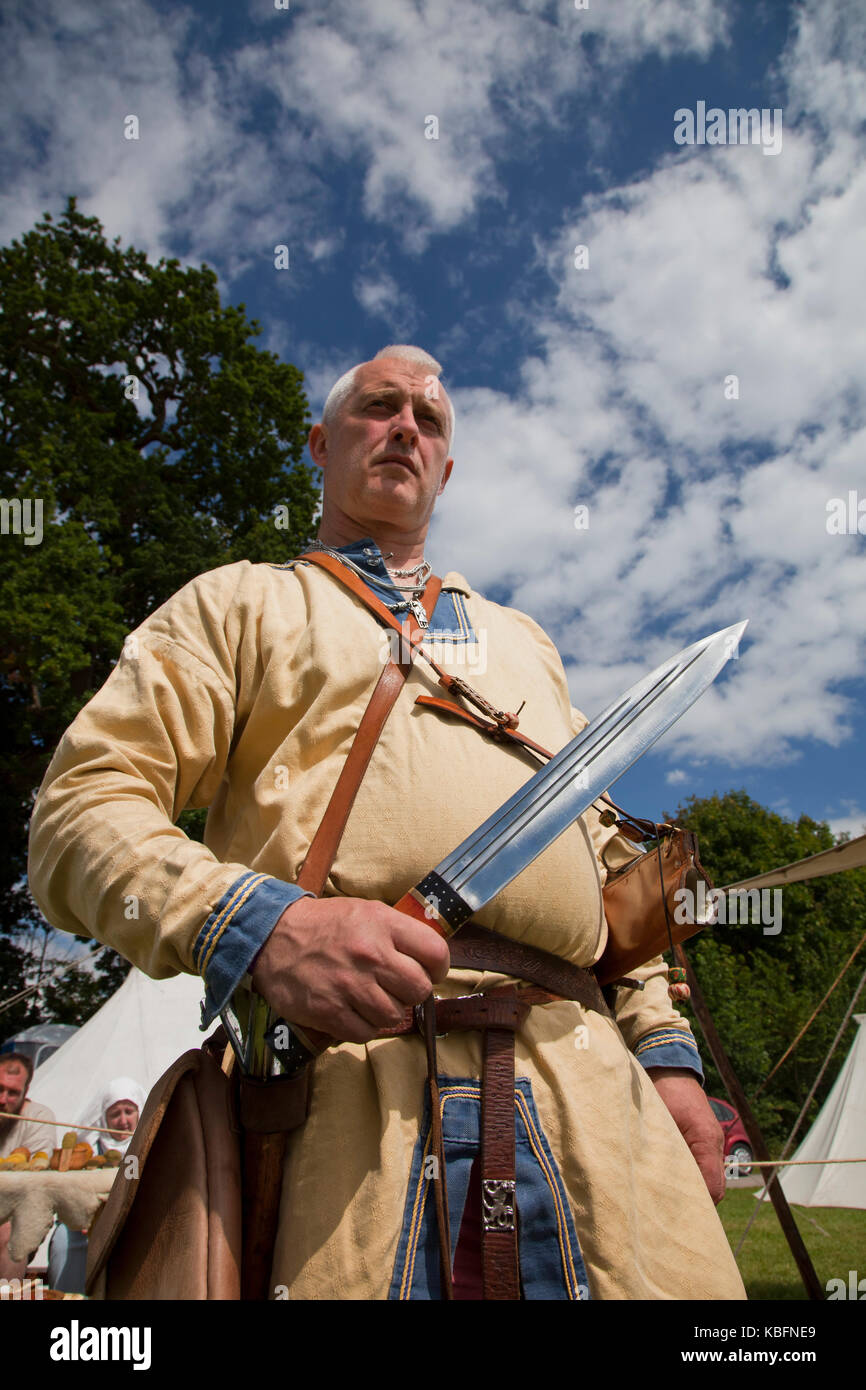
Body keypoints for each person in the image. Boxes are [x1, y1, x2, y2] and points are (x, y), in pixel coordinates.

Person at [27, 345, 745, 1300]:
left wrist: (668, 1060)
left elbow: (616, 881)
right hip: (350, 1097)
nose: (408, 425)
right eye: (380, 406)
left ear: (446, 469)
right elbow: (81, 808)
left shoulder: (522, 644)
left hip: (594, 1103)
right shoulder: (241, 604)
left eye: (431, 420)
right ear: (322, 444)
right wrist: (263, 925)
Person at [47, 1076, 145, 1294]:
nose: (123, 1121)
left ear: (139, 1112)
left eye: (129, 1112)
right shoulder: (88, 1149)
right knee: (64, 1237)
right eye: (115, 1114)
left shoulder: (145, 1147)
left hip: (131, 1222)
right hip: (84, 1225)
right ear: (104, 1117)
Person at [0, 1052, 57, 1280]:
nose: (3, 1099)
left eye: (13, 1093)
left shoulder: (39, 1118)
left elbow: (30, 1184)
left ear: (26, 1091)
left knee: (9, 1231)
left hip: (21, 1213)